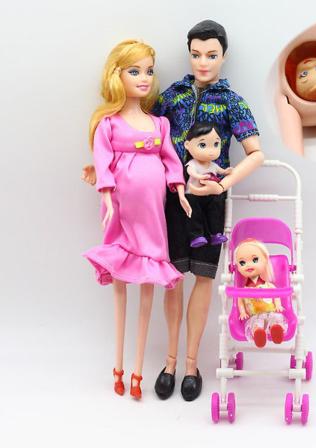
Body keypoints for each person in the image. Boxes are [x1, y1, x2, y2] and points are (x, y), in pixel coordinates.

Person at [82, 20, 264, 401]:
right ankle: (169, 363)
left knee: (203, 277)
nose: (203, 62)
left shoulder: (232, 102)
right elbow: (140, 132)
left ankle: (192, 364)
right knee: (173, 276)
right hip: (170, 199)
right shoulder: (172, 96)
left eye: (211, 55)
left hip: (210, 202)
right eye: (196, 54)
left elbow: (255, 154)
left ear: (224, 56)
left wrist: (224, 184)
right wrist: (103, 167)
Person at [83, 39, 191, 400]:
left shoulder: (159, 123)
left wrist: (179, 189)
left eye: (148, 71)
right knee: (121, 284)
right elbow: (102, 161)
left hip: (152, 209)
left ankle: (138, 371)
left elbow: (171, 160)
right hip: (121, 207)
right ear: (117, 75)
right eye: (135, 71)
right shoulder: (108, 124)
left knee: (147, 281)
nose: (144, 78)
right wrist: (106, 194)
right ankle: (118, 364)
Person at [184, 121, 232, 248]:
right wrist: (200, 176)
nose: (211, 151)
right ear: (187, 145)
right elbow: (191, 172)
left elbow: (221, 171)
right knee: (194, 215)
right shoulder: (193, 163)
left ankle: (215, 234)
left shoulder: (213, 165)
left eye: (216, 144)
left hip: (210, 195)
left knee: (214, 213)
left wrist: (226, 171)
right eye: (203, 145)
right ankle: (196, 236)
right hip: (192, 195)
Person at [235, 239, 287, 348]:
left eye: (255, 260)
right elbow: (240, 301)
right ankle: (259, 334)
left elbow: (276, 295)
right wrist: (242, 312)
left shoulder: (268, 285)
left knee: (275, 319)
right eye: (242, 263)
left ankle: (275, 330)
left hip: (270, 312)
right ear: (238, 267)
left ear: (265, 261)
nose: (248, 265)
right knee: (255, 324)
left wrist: (278, 305)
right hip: (255, 315)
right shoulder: (244, 290)